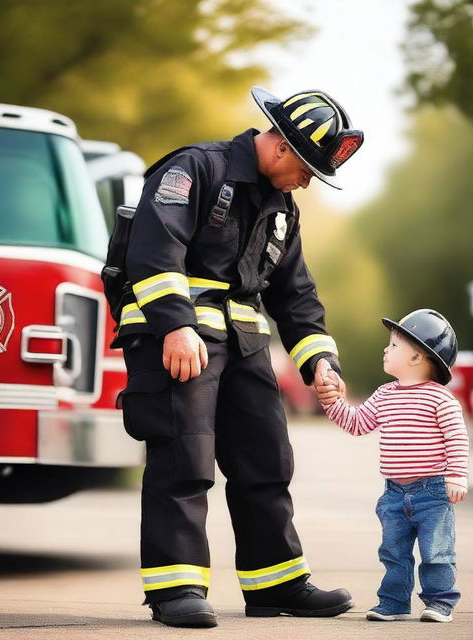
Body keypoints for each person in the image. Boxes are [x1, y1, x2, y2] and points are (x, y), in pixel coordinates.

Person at [111, 87, 364, 627]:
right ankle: (175, 590)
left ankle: (277, 584)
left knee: (266, 463)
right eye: (307, 170)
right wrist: (175, 327)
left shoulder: (281, 210)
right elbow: (153, 251)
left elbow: (295, 295)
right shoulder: (194, 169)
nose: (307, 182)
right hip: (176, 344)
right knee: (185, 461)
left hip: (245, 348)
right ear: (280, 149)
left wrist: (321, 362)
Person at [316, 309, 469, 623]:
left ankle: (439, 601)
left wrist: (456, 474)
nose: (386, 350)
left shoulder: (440, 399)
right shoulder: (384, 395)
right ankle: (394, 602)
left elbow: (457, 436)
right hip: (394, 494)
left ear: (417, 356)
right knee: (393, 552)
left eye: (394, 345)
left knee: (436, 551)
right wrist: (332, 402)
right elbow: (357, 423)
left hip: (433, 492)